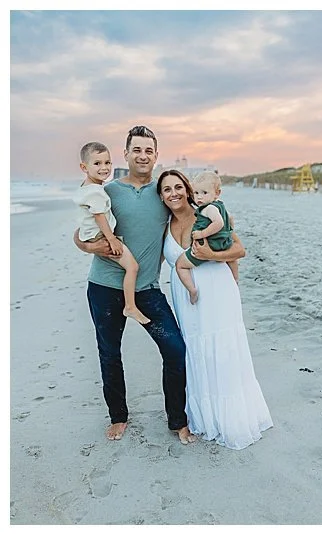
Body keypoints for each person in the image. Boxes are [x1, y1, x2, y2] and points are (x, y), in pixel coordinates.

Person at [73, 125, 245, 444]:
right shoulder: (108, 192)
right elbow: (81, 229)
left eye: (148, 150)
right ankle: (118, 416)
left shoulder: (161, 194)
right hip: (104, 287)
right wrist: (85, 246)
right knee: (109, 353)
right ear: (125, 154)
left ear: (156, 155)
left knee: (176, 350)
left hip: (148, 291)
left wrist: (222, 232)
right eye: (136, 149)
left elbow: (196, 214)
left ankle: (177, 420)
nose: (142, 155)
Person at [160, 169, 273, 449]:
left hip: (217, 290)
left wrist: (212, 255)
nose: (173, 193)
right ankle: (203, 416)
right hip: (186, 298)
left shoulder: (209, 215)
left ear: (188, 189)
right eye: (166, 189)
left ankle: (230, 419)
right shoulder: (162, 225)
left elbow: (240, 250)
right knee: (195, 352)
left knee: (222, 350)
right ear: (161, 196)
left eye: (178, 187)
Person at [73, 141, 151, 325]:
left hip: (93, 234)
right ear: (84, 167)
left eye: (107, 163)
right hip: (101, 237)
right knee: (132, 267)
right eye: (97, 163)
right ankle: (130, 306)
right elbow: (100, 217)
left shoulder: (87, 188)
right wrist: (112, 239)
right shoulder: (96, 193)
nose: (104, 168)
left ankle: (129, 305)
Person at [173, 170, 239, 304]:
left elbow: (218, 223)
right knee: (232, 259)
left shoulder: (208, 209)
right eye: (196, 193)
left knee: (180, 265)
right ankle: (235, 280)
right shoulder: (221, 206)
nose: (199, 197)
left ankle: (192, 290)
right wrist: (229, 230)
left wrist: (202, 234)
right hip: (224, 242)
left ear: (217, 193)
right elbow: (229, 219)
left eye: (204, 193)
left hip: (209, 244)